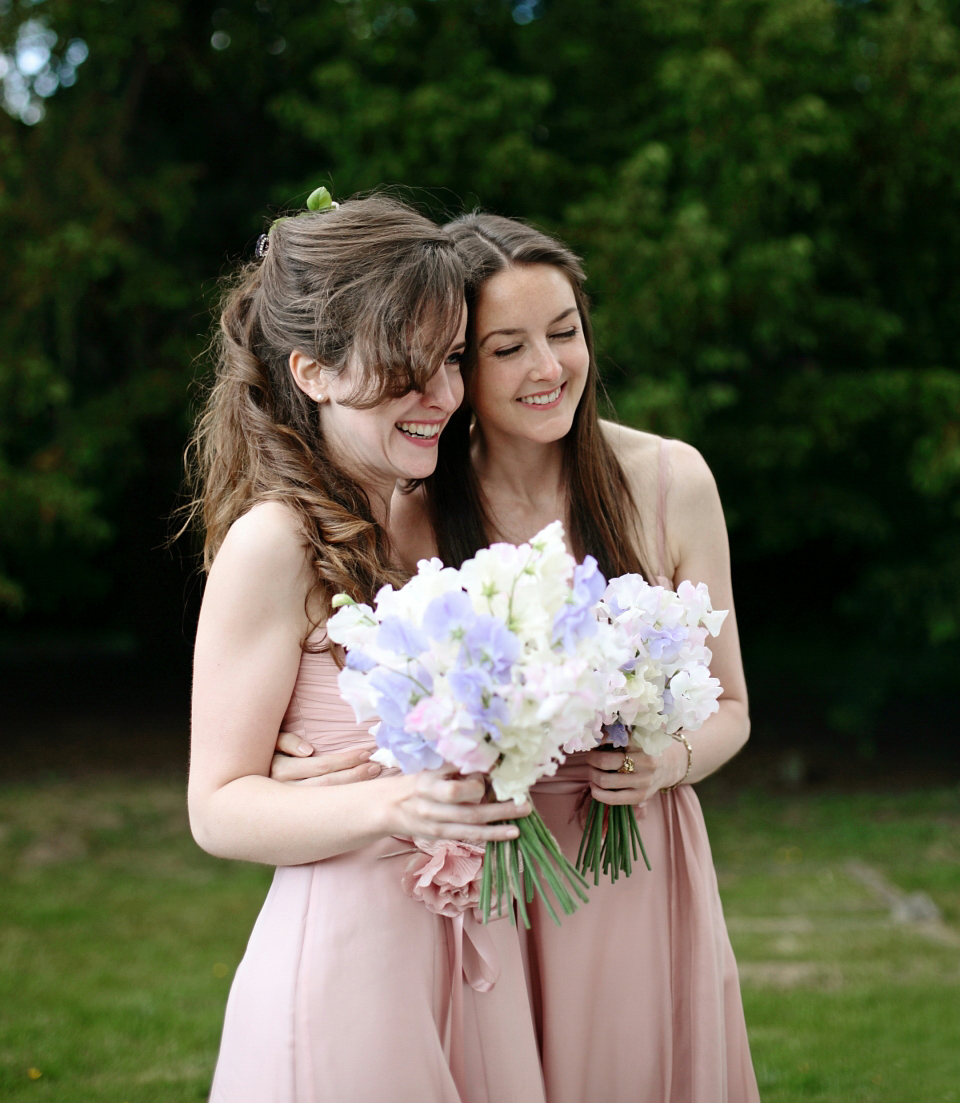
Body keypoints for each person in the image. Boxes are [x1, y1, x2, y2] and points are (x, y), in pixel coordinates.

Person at [274, 211, 760, 1103]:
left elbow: (731, 707)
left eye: (565, 332)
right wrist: (313, 741)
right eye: (506, 349)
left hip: (634, 864)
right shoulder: (415, 506)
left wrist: (667, 761)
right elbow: (364, 670)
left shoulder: (669, 482)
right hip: (489, 878)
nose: (549, 368)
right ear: (457, 365)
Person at [187, 195, 545, 1103]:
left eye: (453, 360)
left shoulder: (436, 515)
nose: (445, 396)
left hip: (474, 952)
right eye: (406, 369)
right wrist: (396, 801)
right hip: (349, 966)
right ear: (312, 370)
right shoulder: (275, 542)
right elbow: (218, 808)